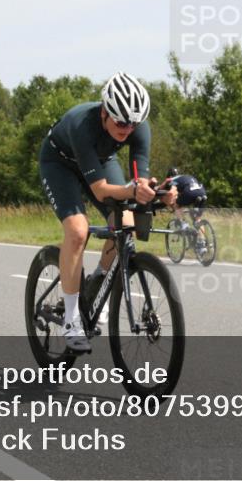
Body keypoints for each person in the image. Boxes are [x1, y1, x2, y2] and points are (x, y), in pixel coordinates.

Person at [38, 73, 176, 352]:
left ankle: (98, 280)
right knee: (77, 230)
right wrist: (133, 191)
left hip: (101, 159)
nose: (127, 129)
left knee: (124, 221)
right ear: (104, 112)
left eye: (133, 124)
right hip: (59, 163)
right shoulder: (82, 124)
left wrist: (160, 191)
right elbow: (101, 190)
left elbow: (139, 180)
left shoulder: (138, 128)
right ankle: (72, 320)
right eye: (121, 123)